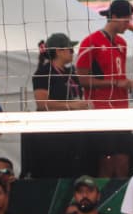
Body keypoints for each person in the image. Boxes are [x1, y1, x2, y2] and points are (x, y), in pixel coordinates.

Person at [75, 0, 133, 178]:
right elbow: (80, 79)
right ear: (113, 17)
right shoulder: (92, 42)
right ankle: (102, 201)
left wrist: (129, 83)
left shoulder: (121, 43)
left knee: (123, 160)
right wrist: (114, 83)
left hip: (121, 110)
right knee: (106, 161)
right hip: (101, 111)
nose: (128, 25)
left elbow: (117, 75)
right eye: (126, 20)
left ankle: (119, 201)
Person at [27, 33, 91, 178]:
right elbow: (42, 104)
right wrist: (71, 106)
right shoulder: (43, 73)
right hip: (53, 135)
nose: (73, 52)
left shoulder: (71, 72)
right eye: (70, 49)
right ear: (59, 51)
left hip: (74, 131)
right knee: (55, 173)